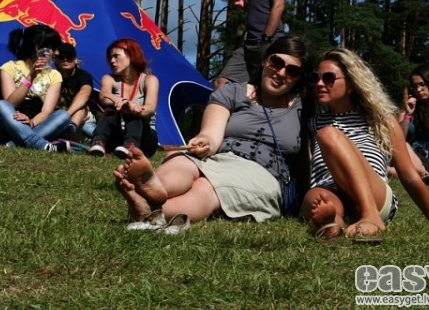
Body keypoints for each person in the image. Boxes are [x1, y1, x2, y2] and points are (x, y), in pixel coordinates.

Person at [113, 36, 312, 227]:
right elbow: (211, 132)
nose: (281, 73)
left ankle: (148, 209)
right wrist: (205, 141)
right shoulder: (232, 92)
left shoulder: (304, 110)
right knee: (181, 159)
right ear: (264, 60)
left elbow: (305, 160)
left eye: (292, 71)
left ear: (299, 78)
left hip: (262, 172)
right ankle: (154, 185)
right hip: (220, 157)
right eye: (276, 62)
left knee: (206, 187)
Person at [303, 48, 429, 241]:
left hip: (374, 194)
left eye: (328, 78)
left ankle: (370, 215)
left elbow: (408, 175)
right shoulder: (313, 122)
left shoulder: (381, 121)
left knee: (329, 135)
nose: (319, 83)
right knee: (319, 199)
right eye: (316, 78)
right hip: (330, 189)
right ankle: (331, 224)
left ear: (351, 84)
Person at [0, 24, 71, 152]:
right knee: (0, 105)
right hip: (9, 124)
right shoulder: (9, 67)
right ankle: (41, 145)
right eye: (52, 48)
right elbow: (11, 103)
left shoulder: (55, 75)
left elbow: (46, 111)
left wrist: (31, 122)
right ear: (38, 48)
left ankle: (14, 144)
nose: (57, 52)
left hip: (35, 124)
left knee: (63, 115)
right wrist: (31, 77)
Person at [88, 38, 159, 158]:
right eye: (110, 57)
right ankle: (98, 142)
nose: (112, 61)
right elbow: (104, 96)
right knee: (110, 109)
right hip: (118, 137)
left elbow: (150, 109)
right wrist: (124, 102)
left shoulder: (150, 80)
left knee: (134, 113)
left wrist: (132, 107)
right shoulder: (109, 78)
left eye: (116, 56)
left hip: (144, 139)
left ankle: (131, 145)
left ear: (131, 55)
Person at [53, 43, 95, 140]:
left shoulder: (83, 75)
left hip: (83, 121)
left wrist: (66, 115)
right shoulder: (52, 76)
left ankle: (70, 130)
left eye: (69, 57)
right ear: (56, 60)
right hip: (57, 119)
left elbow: (85, 93)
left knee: (81, 108)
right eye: (61, 57)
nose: (65, 59)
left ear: (76, 60)